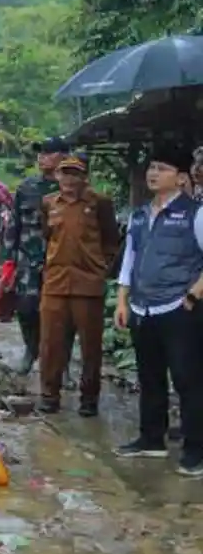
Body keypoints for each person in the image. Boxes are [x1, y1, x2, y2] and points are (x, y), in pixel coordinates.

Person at [114, 144, 203, 477]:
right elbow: (130, 259)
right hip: (142, 307)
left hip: (179, 308)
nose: (153, 173)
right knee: (150, 377)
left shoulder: (195, 214)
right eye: (151, 167)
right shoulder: (139, 214)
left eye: (162, 168)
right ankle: (151, 439)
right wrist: (122, 300)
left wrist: (192, 296)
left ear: (180, 178)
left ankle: (196, 451)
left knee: (187, 380)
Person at [36, 154, 120, 416]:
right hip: (55, 283)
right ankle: (49, 396)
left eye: (75, 174)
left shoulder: (100, 203)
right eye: (65, 173)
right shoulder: (49, 203)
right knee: (50, 344)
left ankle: (89, 398)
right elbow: (46, 236)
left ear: (84, 177)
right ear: (57, 175)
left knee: (90, 347)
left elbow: (111, 241)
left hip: (88, 285)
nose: (69, 179)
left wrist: (102, 269)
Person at [6, 137, 70, 374]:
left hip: (60, 261)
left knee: (61, 314)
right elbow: (14, 223)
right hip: (28, 259)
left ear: (64, 156)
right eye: (40, 153)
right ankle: (31, 349)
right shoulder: (26, 187)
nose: (41, 157)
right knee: (26, 308)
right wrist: (9, 258)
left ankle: (61, 364)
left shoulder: (70, 188)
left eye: (48, 153)